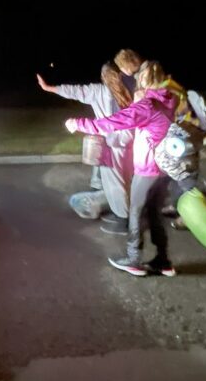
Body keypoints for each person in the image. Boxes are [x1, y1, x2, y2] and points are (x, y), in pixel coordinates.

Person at [65, 61, 178, 277]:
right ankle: (163, 261)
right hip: (164, 170)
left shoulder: (147, 107)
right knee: (155, 215)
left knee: (135, 212)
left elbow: (114, 123)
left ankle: (134, 259)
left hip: (147, 170)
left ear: (142, 81)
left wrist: (78, 124)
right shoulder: (169, 100)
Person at [37, 63, 134, 229]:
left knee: (115, 183)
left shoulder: (99, 91)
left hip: (112, 143)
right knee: (120, 181)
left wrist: (49, 88)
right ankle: (120, 213)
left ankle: (125, 221)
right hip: (127, 143)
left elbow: (75, 91)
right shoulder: (128, 91)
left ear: (104, 77)